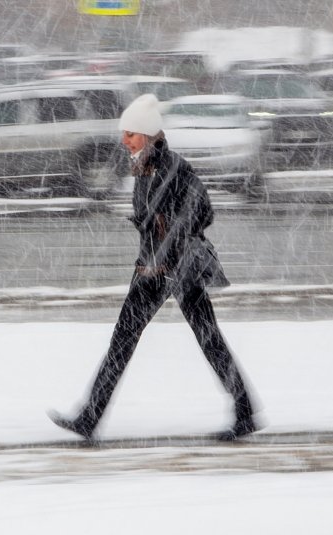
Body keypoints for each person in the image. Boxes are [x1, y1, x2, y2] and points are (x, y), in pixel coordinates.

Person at [49, 94, 259, 442]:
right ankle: (90, 417)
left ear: (147, 134)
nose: (124, 139)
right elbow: (155, 219)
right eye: (124, 133)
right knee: (144, 341)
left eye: (130, 133)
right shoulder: (145, 166)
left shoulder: (174, 167)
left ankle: (245, 413)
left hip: (172, 269)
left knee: (194, 341)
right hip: (153, 267)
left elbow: (200, 211)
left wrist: (167, 248)